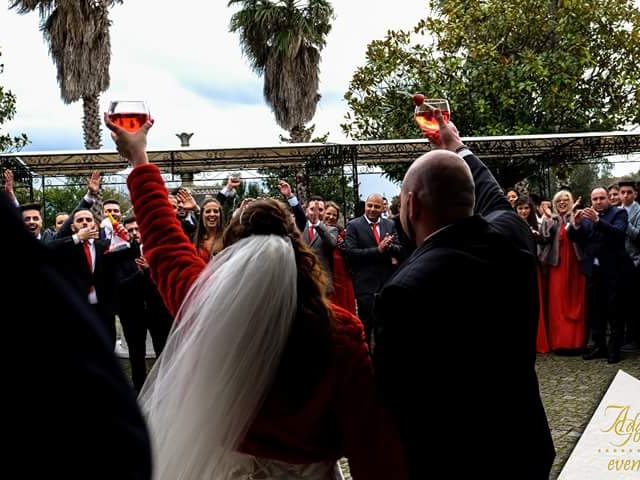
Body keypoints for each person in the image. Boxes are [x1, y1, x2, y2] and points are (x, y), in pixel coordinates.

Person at [105, 114, 407, 480]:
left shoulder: (205, 307)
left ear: (233, 254)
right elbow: (368, 437)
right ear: (300, 255)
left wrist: (140, 161)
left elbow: (165, 245)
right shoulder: (339, 331)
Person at [373, 110, 554, 479]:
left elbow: (396, 404)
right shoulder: (512, 239)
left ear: (411, 204)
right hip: (524, 445)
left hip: (453, 461)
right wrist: (456, 146)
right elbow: (495, 201)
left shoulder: (403, 291)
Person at [2, 191, 151, 479]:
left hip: (104, 313)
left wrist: (122, 227)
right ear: (73, 225)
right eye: (80, 220)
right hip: (77, 312)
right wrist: (76, 237)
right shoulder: (64, 245)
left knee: (106, 354)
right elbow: (48, 252)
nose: (85, 223)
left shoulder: (106, 245)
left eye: (88, 219)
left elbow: (132, 249)